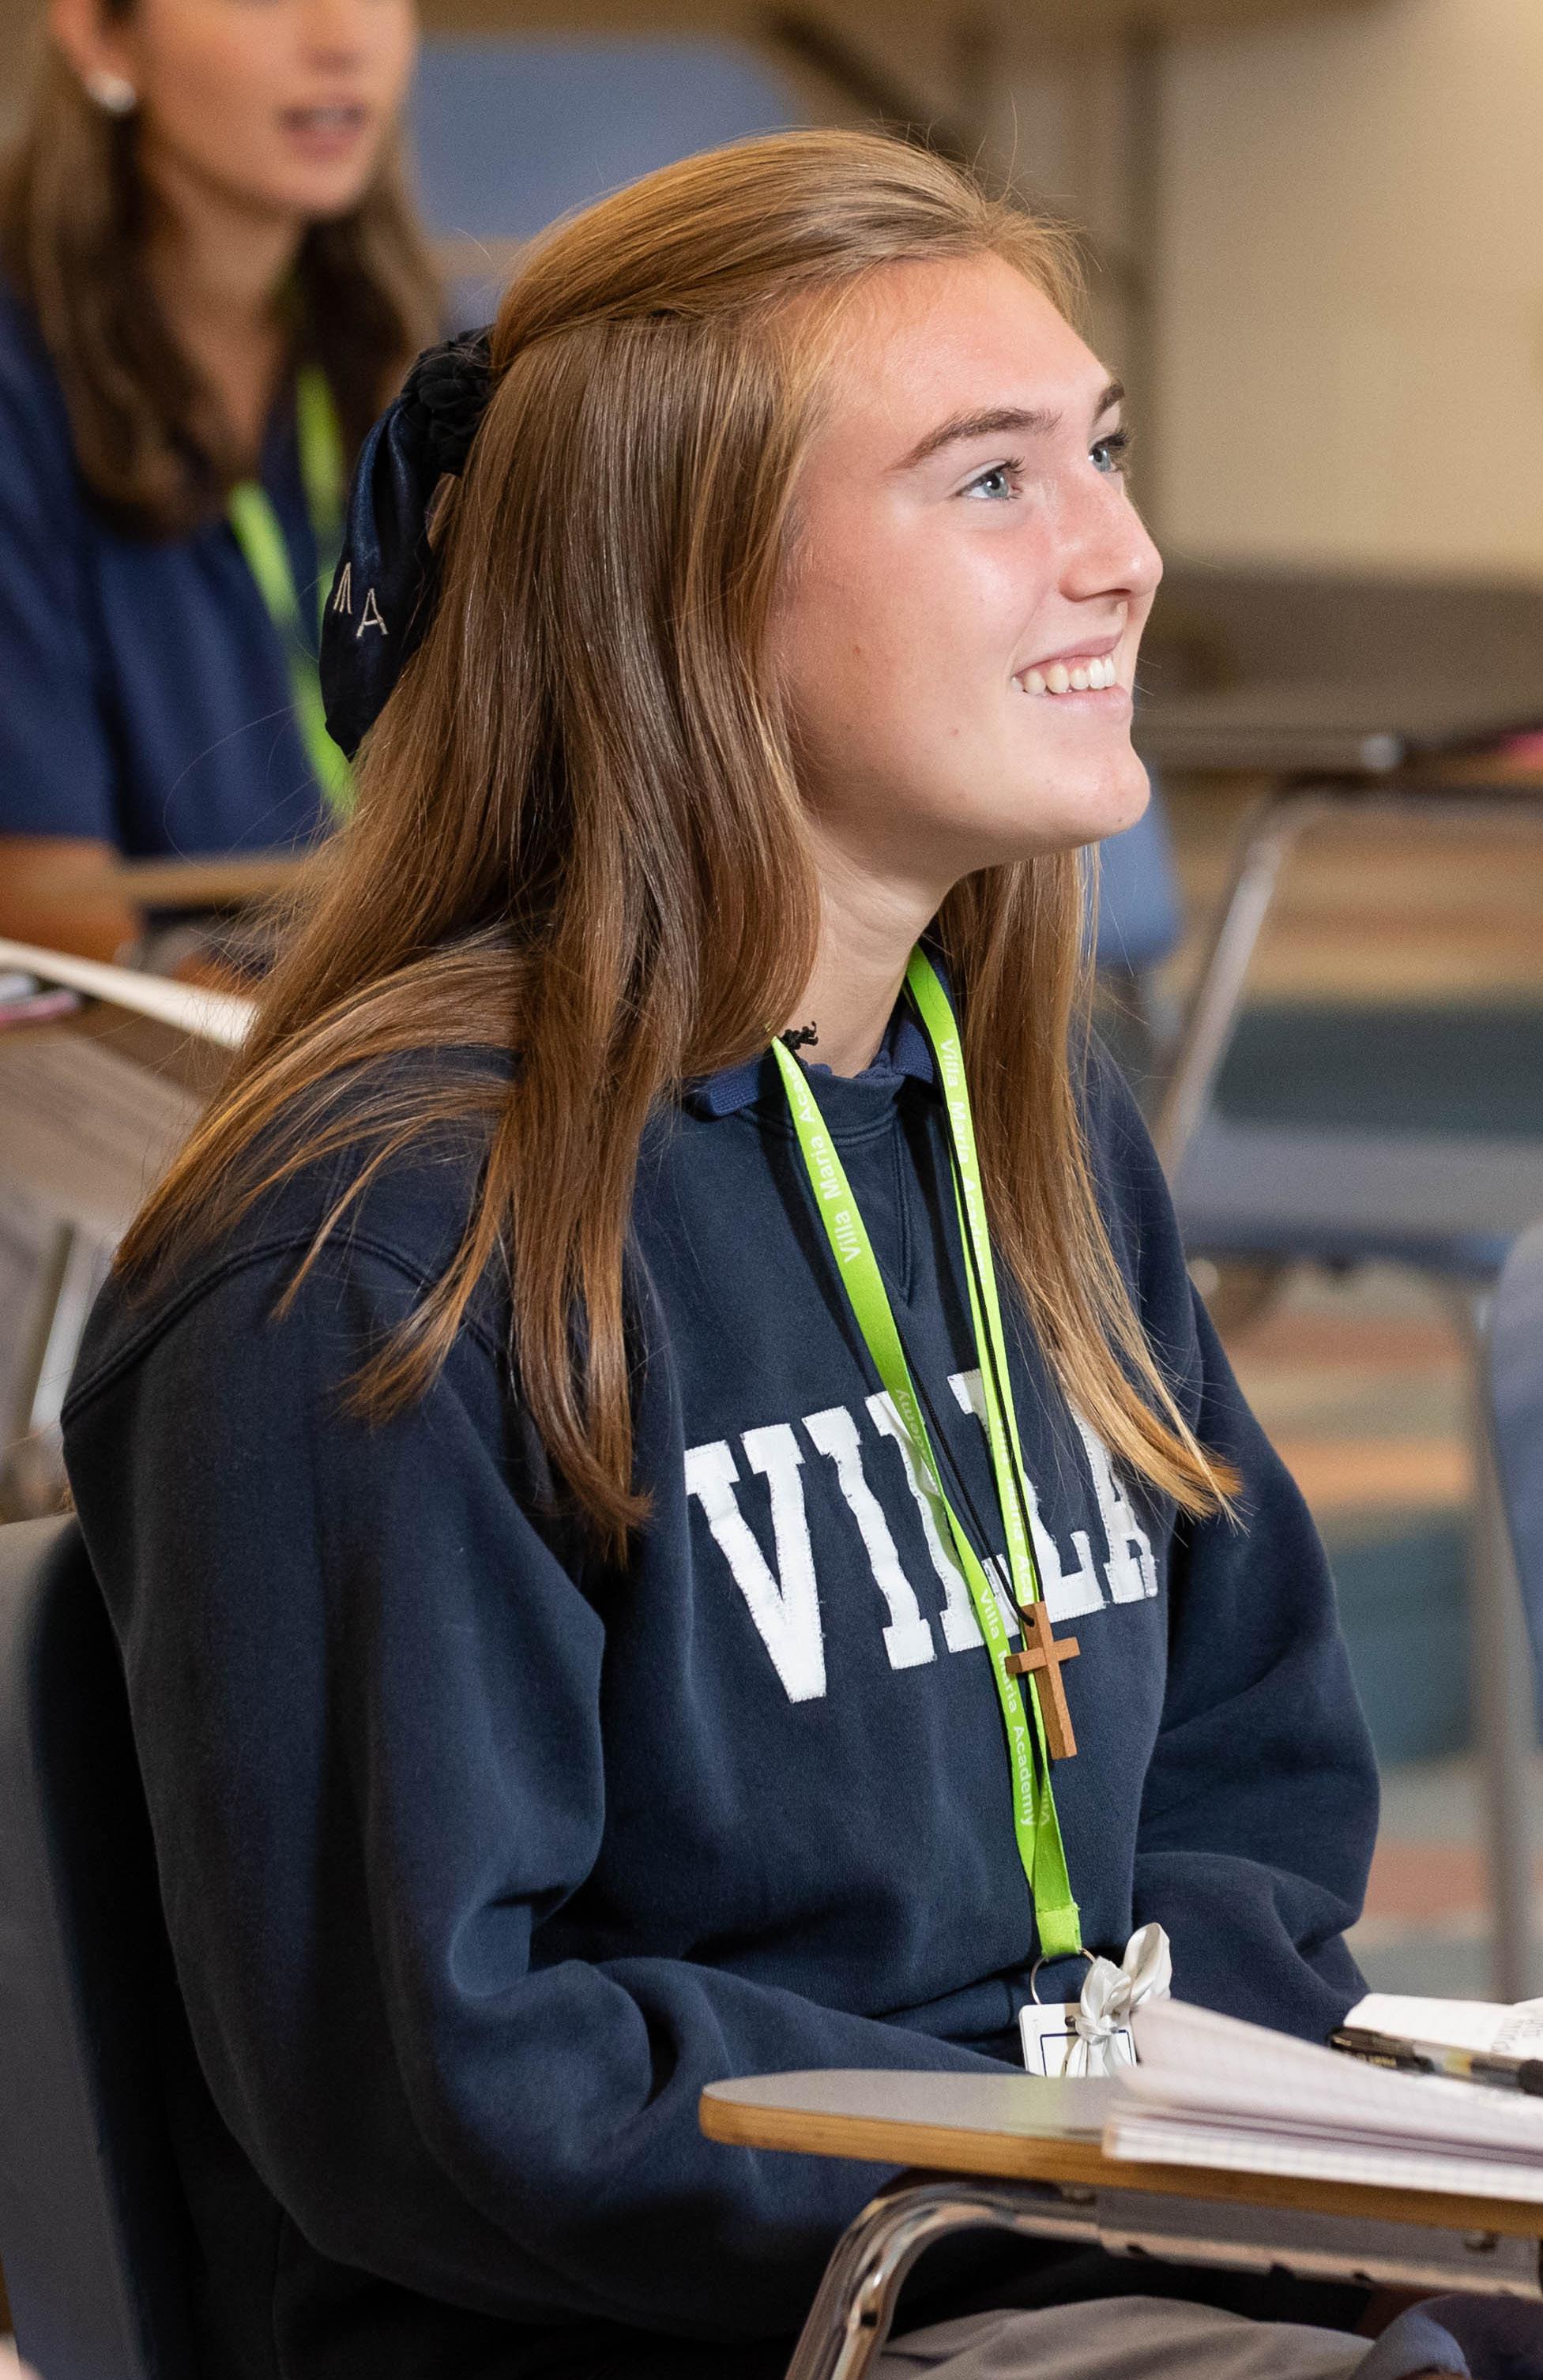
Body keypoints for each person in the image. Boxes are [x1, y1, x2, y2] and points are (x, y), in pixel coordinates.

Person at [62, 133, 1481, 2380]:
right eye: (991, 480)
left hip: (1065, 2250)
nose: (1121, 555)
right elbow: (465, 2084)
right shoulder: (372, 1252)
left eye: (1102, 453)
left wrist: (1183, 2144)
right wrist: (1040, 2178)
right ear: (682, 585)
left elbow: (1254, 1765)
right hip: (720, 2324)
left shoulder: (1023, 1116)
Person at [0, 0, 437, 964]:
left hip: (399, 1010)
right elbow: (45, 919)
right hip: (155, 1041)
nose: (342, 39)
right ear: (100, 32)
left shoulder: (426, 360)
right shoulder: (20, 382)